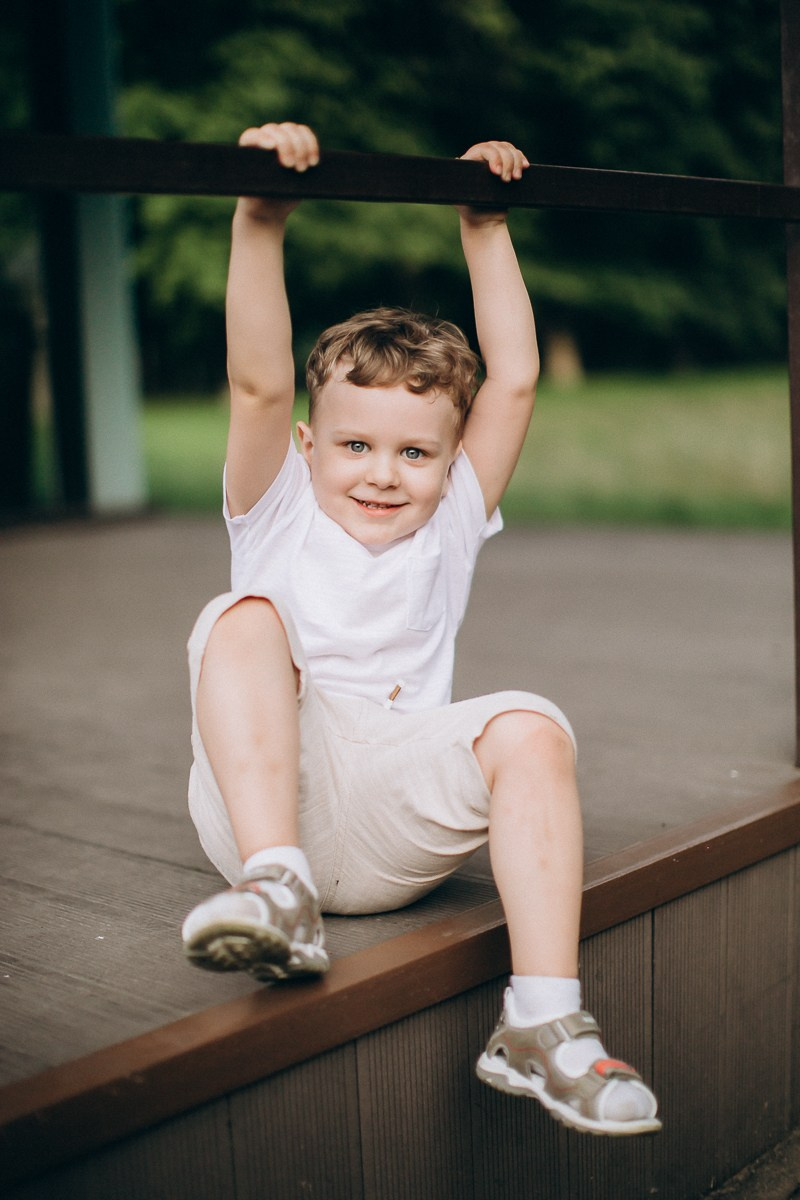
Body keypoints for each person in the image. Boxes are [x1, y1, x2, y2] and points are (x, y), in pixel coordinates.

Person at [181, 121, 661, 1137]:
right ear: (309, 446)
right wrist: (259, 217)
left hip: (395, 817)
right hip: (276, 805)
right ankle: (277, 890)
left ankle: (540, 1024)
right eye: (354, 443)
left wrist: (483, 224)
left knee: (533, 722)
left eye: (412, 452)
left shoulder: (447, 520)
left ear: (449, 465)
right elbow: (259, 382)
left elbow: (514, 380)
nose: (381, 473)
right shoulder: (277, 506)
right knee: (240, 618)